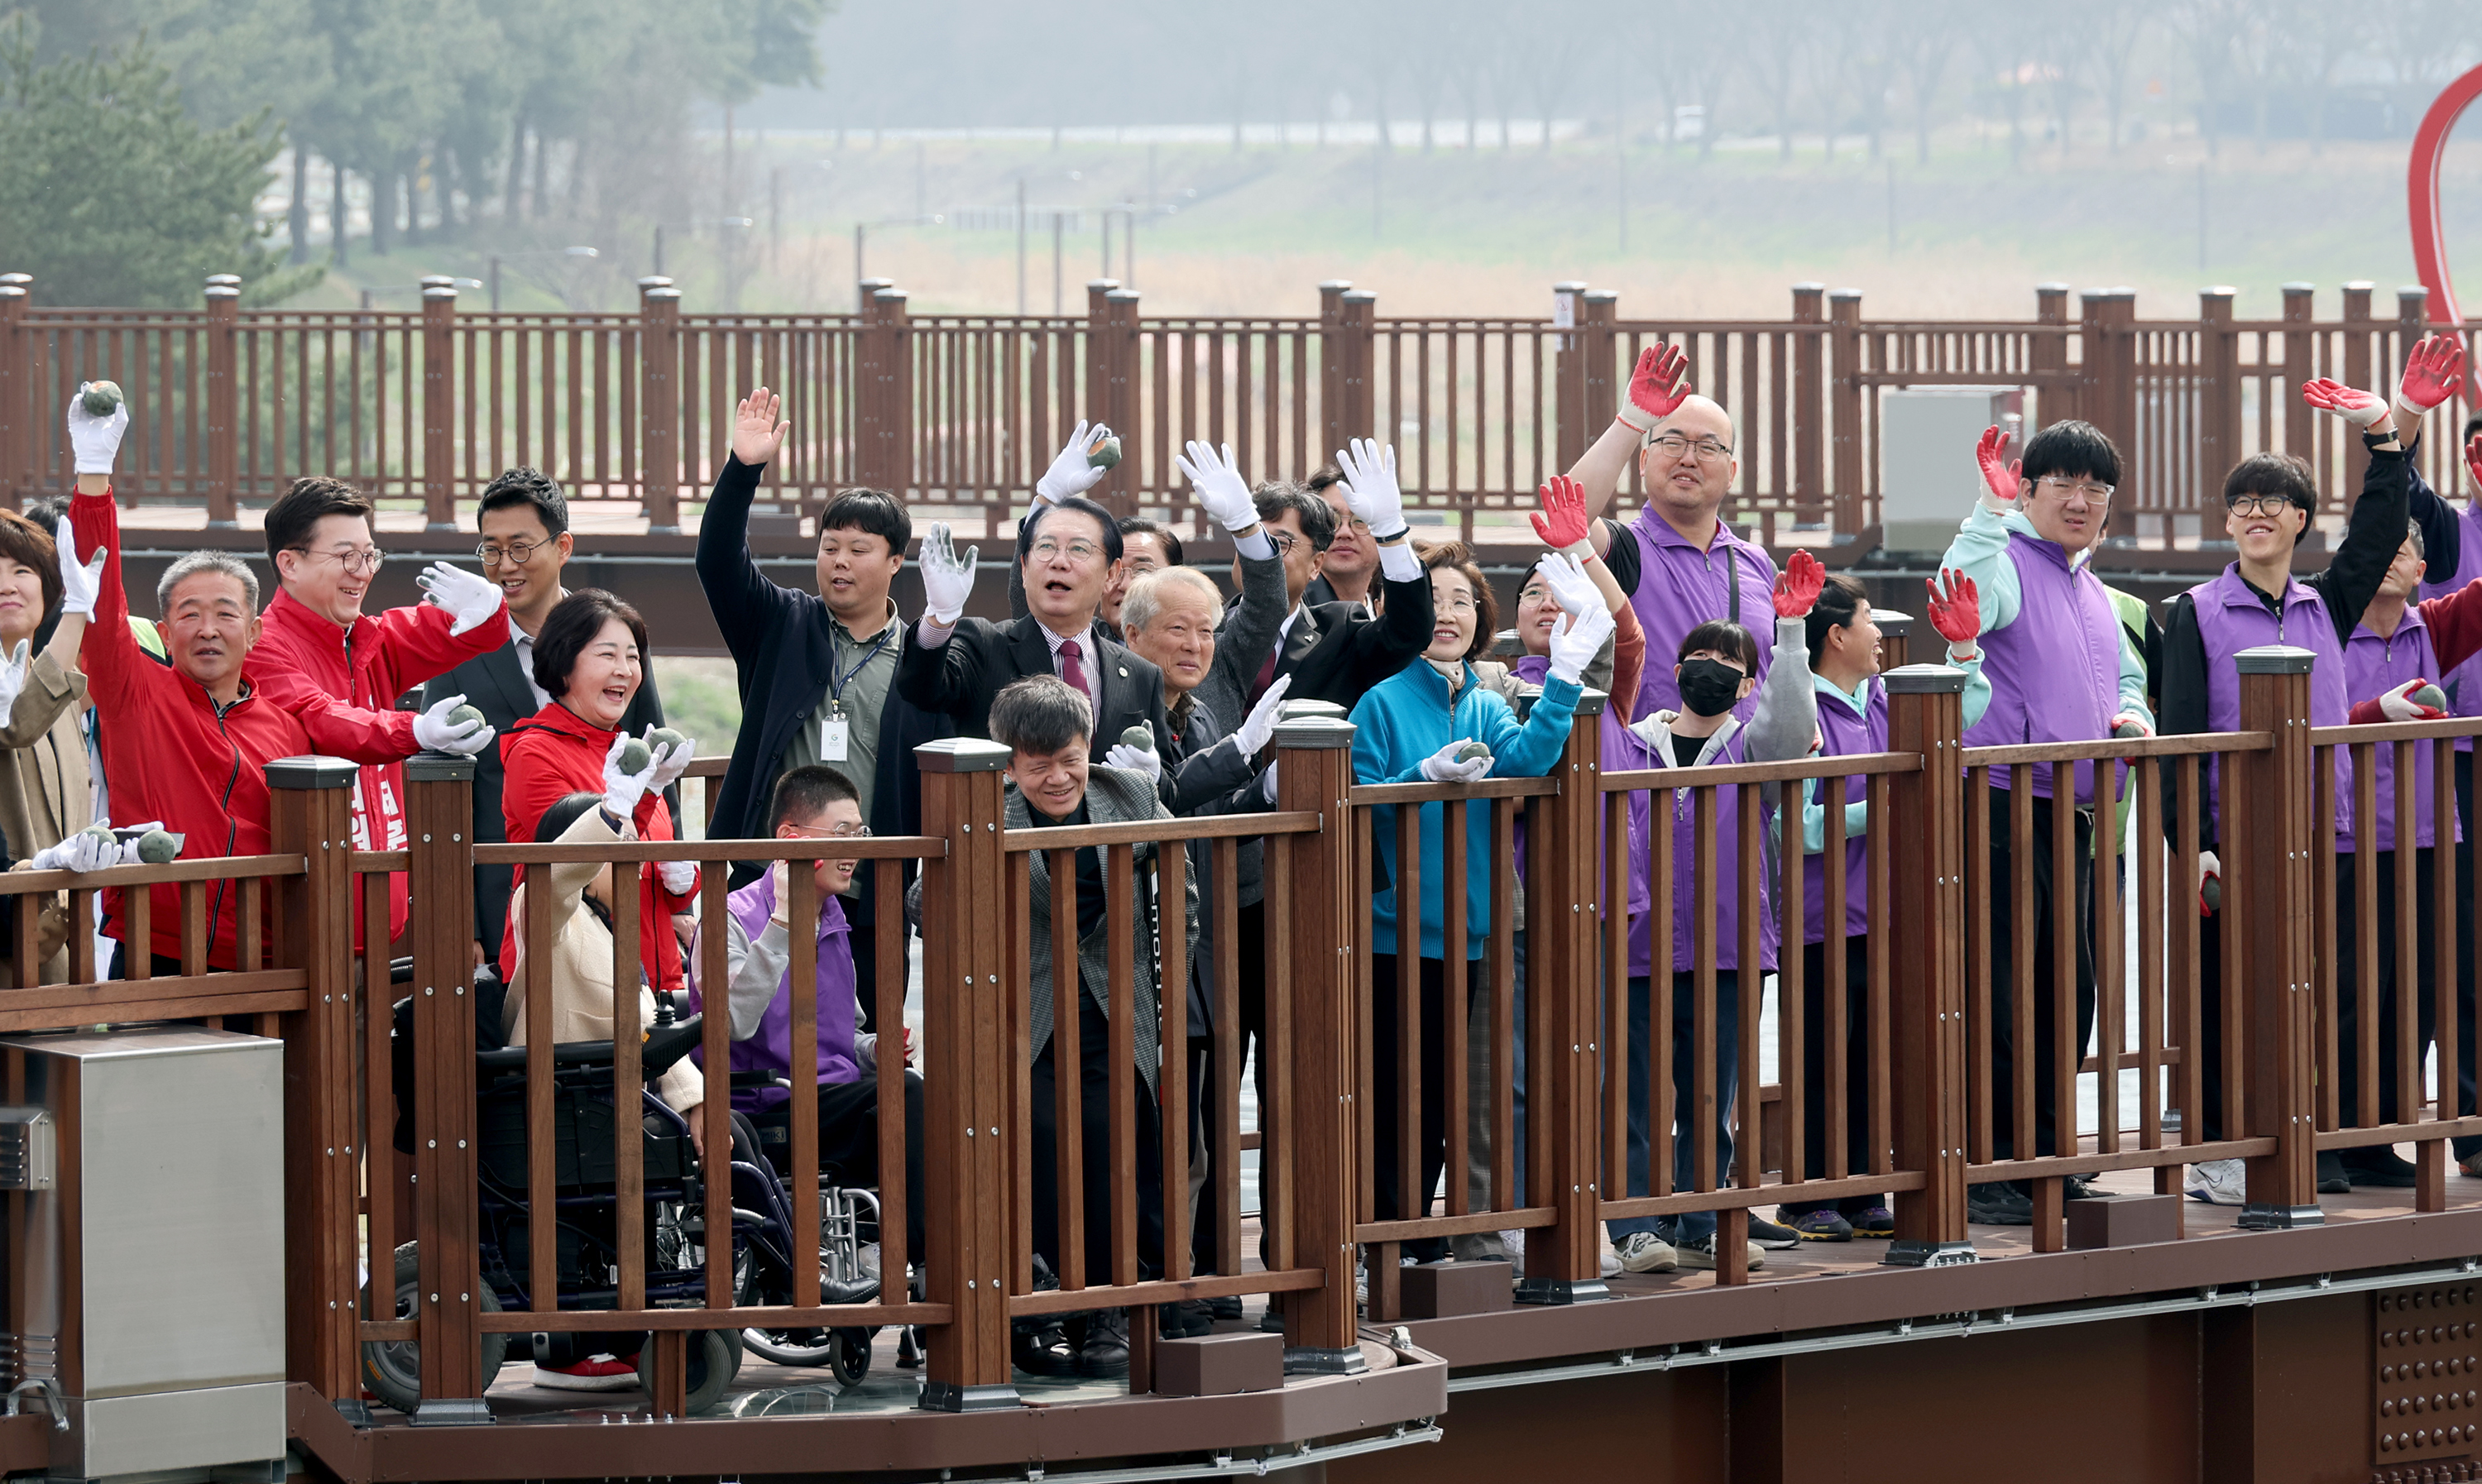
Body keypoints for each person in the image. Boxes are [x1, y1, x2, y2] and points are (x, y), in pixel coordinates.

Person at [2163, 335, 2466, 1200]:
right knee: (2233, 1000)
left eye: (2277, 503)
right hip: (2239, 844)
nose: (2258, 514)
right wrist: (2196, 847)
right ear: (2229, 522)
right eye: (2244, 503)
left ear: (2300, 521)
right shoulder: (2191, 614)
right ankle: (2226, 1152)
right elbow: (2184, 735)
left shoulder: (2327, 606)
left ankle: (2335, 1140)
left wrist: (2385, 433)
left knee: (2328, 992)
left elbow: (2378, 528)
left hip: (2322, 833)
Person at [909, 674, 1193, 1378]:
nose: (1058, 776)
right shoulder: (988, 808)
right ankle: (1036, 1307)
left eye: (1069, 758)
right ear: (1008, 762)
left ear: (1088, 746)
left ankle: (1109, 1312)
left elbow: (1180, 886)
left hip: (1110, 1007)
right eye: (1038, 765)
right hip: (1021, 1018)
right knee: (1031, 1152)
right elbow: (922, 900)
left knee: (1110, 1152)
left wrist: (1165, 971)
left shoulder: (1126, 794)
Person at [61, 394, 399, 973]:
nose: (209, 630)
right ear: (166, 633)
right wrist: (94, 471)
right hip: (156, 952)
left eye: (226, 613)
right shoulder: (135, 696)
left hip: (266, 963)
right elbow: (102, 599)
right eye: (190, 615)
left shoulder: (286, 728)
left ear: (255, 629)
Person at [1349, 539, 1607, 1261]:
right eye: (1432, 601)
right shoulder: (1380, 697)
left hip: (1469, 931)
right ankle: (1382, 1244)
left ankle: (1422, 1242)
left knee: (1439, 1098)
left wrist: (1562, 676)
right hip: (1389, 932)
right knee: (1390, 1097)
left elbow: (1528, 761)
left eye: (1462, 601)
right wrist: (1420, 776)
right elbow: (1355, 800)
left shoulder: (1487, 702)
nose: (1448, 615)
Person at [1939, 417, 2154, 1225]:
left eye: (2096, 487)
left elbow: (2128, 679)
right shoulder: (2006, 562)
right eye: (2062, 482)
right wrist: (1986, 512)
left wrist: (2134, 719)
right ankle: (1991, 1169)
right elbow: (1962, 596)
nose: (2082, 498)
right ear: (2025, 489)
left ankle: (2044, 1154)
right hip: (2000, 802)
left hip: (2078, 814)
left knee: (2070, 991)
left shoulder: (2094, 589)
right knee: (2000, 992)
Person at [693, 388, 945, 1028]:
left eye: (859, 550)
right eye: (830, 546)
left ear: (895, 562)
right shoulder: (782, 624)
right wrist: (742, 469)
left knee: (864, 1048)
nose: (839, 561)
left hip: (867, 892)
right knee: (745, 1039)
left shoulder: (921, 656)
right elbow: (718, 562)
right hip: (760, 879)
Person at [1603, 569, 1818, 1274]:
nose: (1715, 671)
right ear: (1675, 669)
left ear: (1749, 685)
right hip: (1638, 947)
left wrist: (1788, 637)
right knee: (1635, 1092)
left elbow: (1792, 729)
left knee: (1710, 1095)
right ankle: (1635, 1223)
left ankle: (1700, 1218)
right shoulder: (1632, 745)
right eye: (1704, 657)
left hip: (1727, 948)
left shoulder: (1753, 748)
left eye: (1732, 664)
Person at [1771, 569, 1991, 1242]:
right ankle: (1808, 1196)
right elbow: (1796, 827)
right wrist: (1882, 808)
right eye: (1869, 621)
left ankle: (1865, 1187)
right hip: (1819, 917)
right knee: (1820, 1059)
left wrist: (1963, 656)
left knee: (1869, 1055)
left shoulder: (1875, 701)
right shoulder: (1802, 709)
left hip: (1879, 911)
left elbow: (1965, 714)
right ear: (1836, 634)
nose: (1879, 636)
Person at [496, 782, 707, 1393]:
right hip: (562, 1108)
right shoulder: (547, 913)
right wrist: (612, 814)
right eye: (624, 850)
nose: (636, 864)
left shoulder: (605, 929)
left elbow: (643, 1030)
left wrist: (691, 1101)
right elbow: (556, 873)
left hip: (603, 1102)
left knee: (732, 1138)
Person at [422, 465, 673, 968]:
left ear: (563, 548)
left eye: (520, 547)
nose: (504, 566)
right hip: (508, 905)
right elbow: (437, 792)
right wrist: (463, 920)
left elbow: (657, 766)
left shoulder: (614, 638)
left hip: (618, 898)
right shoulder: (457, 649)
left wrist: (678, 893)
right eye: (491, 550)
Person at [249, 476, 507, 948]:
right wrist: (420, 731)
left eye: (370, 555)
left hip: (376, 924)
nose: (363, 571)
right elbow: (325, 721)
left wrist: (490, 610)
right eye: (346, 556)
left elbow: (468, 633)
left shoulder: (366, 637)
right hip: (301, 927)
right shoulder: (263, 644)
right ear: (289, 563)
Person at [689, 764, 924, 1267]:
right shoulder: (730, 916)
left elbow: (849, 1034)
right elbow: (727, 1024)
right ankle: (923, 1260)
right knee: (909, 1098)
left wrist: (874, 1050)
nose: (855, 849)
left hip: (828, 1097)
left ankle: (912, 1256)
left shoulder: (833, 918)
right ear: (790, 837)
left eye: (861, 833)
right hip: (766, 1105)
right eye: (842, 834)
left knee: (938, 1098)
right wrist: (780, 925)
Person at [897, 422, 1168, 770]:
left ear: (1112, 575)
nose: (1059, 562)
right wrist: (940, 616)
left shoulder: (1141, 674)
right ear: (1023, 568)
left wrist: (1153, 777)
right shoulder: (984, 645)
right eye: (1046, 548)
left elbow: (1168, 793)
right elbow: (920, 689)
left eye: (1079, 550)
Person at [497, 590, 698, 999]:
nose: (624, 670)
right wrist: (647, 795)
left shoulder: (627, 753)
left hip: (653, 984)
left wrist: (683, 883)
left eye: (633, 657)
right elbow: (588, 875)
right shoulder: (534, 752)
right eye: (607, 656)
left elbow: (653, 879)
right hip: (575, 987)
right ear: (564, 663)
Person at [1561, 344, 1780, 720]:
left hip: (1749, 770)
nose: (1688, 458)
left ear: (1731, 472)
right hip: (1655, 768)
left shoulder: (1756, 562)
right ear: (1644, 461)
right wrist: (1631, 422)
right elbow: (1567, 515)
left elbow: (1772, 673)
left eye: (1708, 447)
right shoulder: (1625, 549)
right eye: (1672, 442)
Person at [0, 510, 98, 979]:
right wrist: (79, 611)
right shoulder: (50, 687)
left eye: (22, 570)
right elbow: (15, 726)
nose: (8, 585)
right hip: (9, 934)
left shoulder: (58, 690)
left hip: (58, 937)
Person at [1300, 466, 1377, 612]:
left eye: (1360, 520)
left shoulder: (1388, 614)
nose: (1345, 532)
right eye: (1330, 520)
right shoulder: (1290, 611)